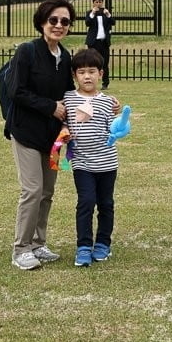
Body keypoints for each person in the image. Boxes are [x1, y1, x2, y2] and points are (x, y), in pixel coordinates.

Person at [6, 0, 76, 271]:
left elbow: (67, 95)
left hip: (54, 136)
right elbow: (16, 91)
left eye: (65, 21)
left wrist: (97, 101)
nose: (59, 25)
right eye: (53, 20)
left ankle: (38, 243)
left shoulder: (65, 56)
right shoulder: (27, 51)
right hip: (25, 132)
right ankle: (21, 248)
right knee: (32, 189)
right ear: (42, 22)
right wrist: (51, 108)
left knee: (47, 191)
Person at [62, 48, 120, 267]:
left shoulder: (107, 102)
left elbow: (112, 130)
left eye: (92, 71)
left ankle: (103, 243)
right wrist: (64, 131)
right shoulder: (68, 98)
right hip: (82, 163)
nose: (87, 76)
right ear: (74, 75)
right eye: (82, 72)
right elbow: (63, 122)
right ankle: (84, 246)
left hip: (107, 163)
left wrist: (119, 126)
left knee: (106, 204)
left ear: (101, 74)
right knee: (86, 202)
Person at [84, 0, 115, 89]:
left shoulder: (105, 12)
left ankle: (105, 83)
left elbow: (113, 22)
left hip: (104, 42)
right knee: (92, 63)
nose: (98, 3)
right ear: (93, 2)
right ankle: (92, 83)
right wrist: (93, 13)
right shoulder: (90, 12)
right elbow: (87, 23)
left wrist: (108, 15)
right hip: (94, 42)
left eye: (100, 2)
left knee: (105, 63)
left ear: (102, 2)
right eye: (96, 2)